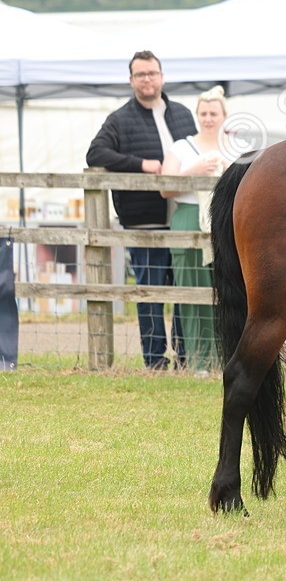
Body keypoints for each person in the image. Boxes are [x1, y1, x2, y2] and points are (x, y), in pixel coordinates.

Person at [86, 50, 196, 370]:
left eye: (152, 73)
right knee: (149, 292)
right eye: (141, 74)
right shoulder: (120, 119)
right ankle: (155, 361)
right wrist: (142, 165)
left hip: (183, 215)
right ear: (131, 80)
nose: (147, 79)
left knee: (186, 291)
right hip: (143, 220)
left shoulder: (184, 115)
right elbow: (96, 153)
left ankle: (186, 358)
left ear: (162, 76)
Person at [160, 86, 228, 374]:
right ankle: (198, 361)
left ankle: (225, 359)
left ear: (224, 115)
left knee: (225, 293)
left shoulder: (234, 147)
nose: (208, 118)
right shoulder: (180, 147)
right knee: (191, 290)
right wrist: (194, 170)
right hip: (188, 217)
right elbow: (165, 187)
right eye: (203, 113)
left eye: (214, 113)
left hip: (224, 220)